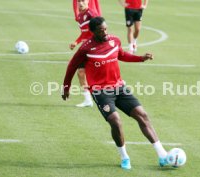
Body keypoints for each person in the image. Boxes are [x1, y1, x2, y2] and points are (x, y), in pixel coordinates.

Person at [62, 17, 169, 170]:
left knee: (142, 115)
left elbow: (122, 55)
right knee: (116, 121)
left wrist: (141, 58)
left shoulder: (114, 40)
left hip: (119, 87)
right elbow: (72, 66)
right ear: (93, 32)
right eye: (101, 31)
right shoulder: (86, 48)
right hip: (101, 91)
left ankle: (162, 155)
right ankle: (124, 157)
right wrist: (66, 87)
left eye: (106, 29)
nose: (105, 32)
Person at [70, 0, 101, 107]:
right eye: (79, 1)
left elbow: (101, 31)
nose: (80, 3)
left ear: (88, 2)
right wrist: (76, 42)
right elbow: (84, 34)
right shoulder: (80, 16)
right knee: (81, 72)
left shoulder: (92, 15)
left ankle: (117, 85)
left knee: (97, 73)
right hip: (87, 48)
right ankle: (88, 100)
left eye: (83, 1)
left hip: (95, 48)